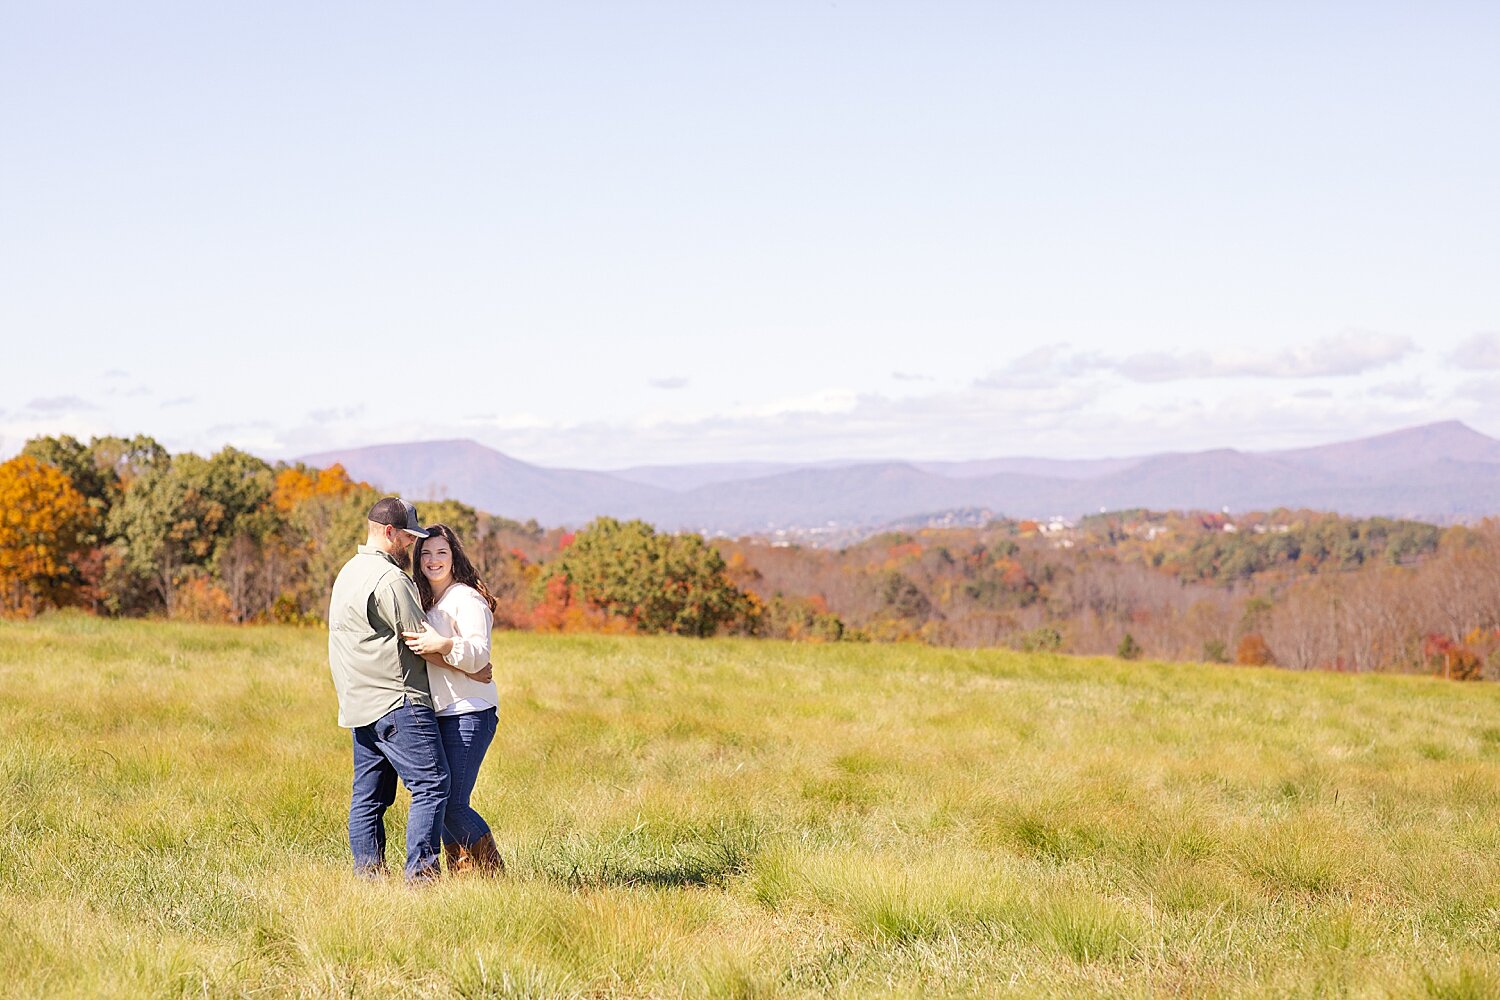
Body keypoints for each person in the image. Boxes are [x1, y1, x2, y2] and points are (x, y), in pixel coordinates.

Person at [327, 497, 462, 882]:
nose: (410, 545)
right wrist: (472, 666)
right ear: (389, 532)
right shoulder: (390, 580)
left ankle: (368, 879)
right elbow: (422, 642)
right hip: (399, 700)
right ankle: (422, 878)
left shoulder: (348, 572)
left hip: (358, 704)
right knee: (433, 784)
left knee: (369, 797)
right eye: (407, 536)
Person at [402, 523, 505, 875]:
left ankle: (495, 875)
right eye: (426, 553)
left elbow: (479, 653)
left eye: (441, 552)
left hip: (469, 713)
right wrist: (457, 663)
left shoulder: (466, 599)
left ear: (454, 556)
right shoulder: (423, 602)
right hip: (439, 713)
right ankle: (466, 880)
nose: (433, 560)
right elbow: (419, 651)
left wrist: (445, 647)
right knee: (440, 799)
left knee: (451, 803)